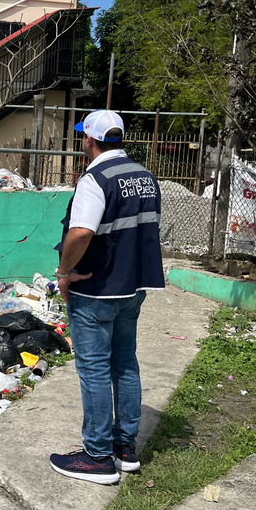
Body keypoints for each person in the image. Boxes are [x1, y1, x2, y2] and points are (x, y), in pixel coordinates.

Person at [49, 109, 165, 485]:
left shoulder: (95, 179)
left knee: (95, 370)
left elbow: (81, 233)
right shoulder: (145, 177)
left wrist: (64, 273)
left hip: (96, 289)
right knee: (125, 363)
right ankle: (124, 448)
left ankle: (98, 457)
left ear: (89, 140)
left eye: (83, 135)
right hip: (134, 288)